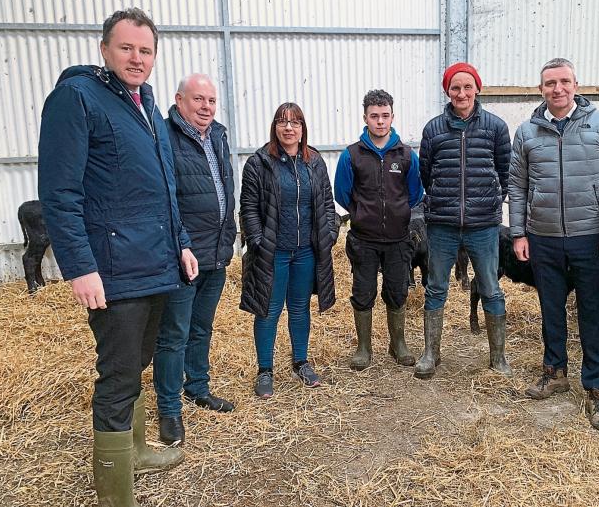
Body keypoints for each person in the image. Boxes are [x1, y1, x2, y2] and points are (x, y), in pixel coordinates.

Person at [38, 8, 194, 505]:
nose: (137, 58)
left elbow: (167, 189)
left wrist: (183, 243)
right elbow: (60, 193)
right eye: (126, 48)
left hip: (156, 263)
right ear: (104, 49)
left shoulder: (144, 101)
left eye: (146, 50)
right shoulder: (77, 98)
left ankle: (136, 450)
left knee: (139, 362)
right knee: (118, 372)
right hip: (114, 268)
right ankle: (114, 492)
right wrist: (80, 266)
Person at [508, 58, 599, 431]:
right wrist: (519, 232)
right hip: (543, 238)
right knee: (551, 309)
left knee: (592, 313)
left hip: (590, 237)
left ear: (576, 84)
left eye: (563, 82)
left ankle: (596, 390)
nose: (557, 89)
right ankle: (555, 371)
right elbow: (517, 185)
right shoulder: (527, 132)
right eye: (549, 83)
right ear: (540, 88)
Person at [153, 74, 237, 446]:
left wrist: (230, 236)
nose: (206, 107)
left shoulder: (217, 134)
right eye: (198, 100)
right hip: (184, 256)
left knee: (201, 328)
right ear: (179, 100)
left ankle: (197, 387)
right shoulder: (166, 136)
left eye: (211, 101)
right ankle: (169, 409)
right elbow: (166, 198)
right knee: (173, 335)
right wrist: (180, 244)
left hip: (216, 253)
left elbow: (226, 188)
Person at [415, 62, 511, 379]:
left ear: (477, 89)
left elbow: (505, 171)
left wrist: (492, 201)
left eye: (467, 86)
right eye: (455, 87)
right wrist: (444, 201)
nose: (462, 93)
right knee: (435, 288)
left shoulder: (495, 128)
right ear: (447, 91)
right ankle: (431, 353)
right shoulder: (433, 130)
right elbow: (426, 173)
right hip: (442, 224)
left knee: (491, 288)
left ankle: (498, 358)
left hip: (483, 225)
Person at [240, 102, 338, 398]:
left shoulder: (315, 161)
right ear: (275, 127)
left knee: (299, 308)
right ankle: (265, 370)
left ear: (303, 128)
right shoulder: (259, 163)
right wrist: (258, 240)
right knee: (268, 310)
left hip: (306, 251)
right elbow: (248, 207)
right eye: (282, 122)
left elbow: (327, 203)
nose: (289, 127)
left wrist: (329, 234)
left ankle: (300, 362)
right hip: (273, 251)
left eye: (295, 122)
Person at [334, 89, 424, 370]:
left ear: (392, 116)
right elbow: (342, 194)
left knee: (397, 291)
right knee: (363, 292)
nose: (380, 121)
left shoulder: (407, 155)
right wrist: (363, 213)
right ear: (365, 118)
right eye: (375, 116)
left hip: (398, 238)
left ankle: (398, 343)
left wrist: (397, 213)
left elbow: (415, 194)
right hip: (364, 239)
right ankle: (364, 347)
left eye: (385, 116)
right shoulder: (352, 155)